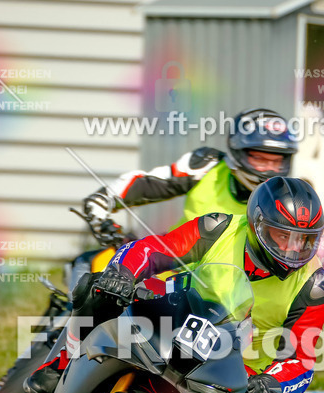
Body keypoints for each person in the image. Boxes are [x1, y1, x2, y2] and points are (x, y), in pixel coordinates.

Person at [25, 177, 324, 393]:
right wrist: (123, 274)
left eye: (304, 241)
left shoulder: (312, 287)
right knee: (96, 289)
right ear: (256, 225)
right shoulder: (219, 228)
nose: (293, 249)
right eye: (282, 236)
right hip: (178, 314)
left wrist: (271, 384)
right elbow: (154, 250)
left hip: (235, 367)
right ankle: (63, 363)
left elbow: (301, 361)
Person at [69, 107, 299, 288]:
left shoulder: (292, 199)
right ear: (238, 153)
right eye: (260, 158)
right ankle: (65, 338)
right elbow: (148, 183)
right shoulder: (206, 166)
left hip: (233, 293)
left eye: (277, 161)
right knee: (96, 265)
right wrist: (102, 201)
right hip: (166, 267)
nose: (269, 169)